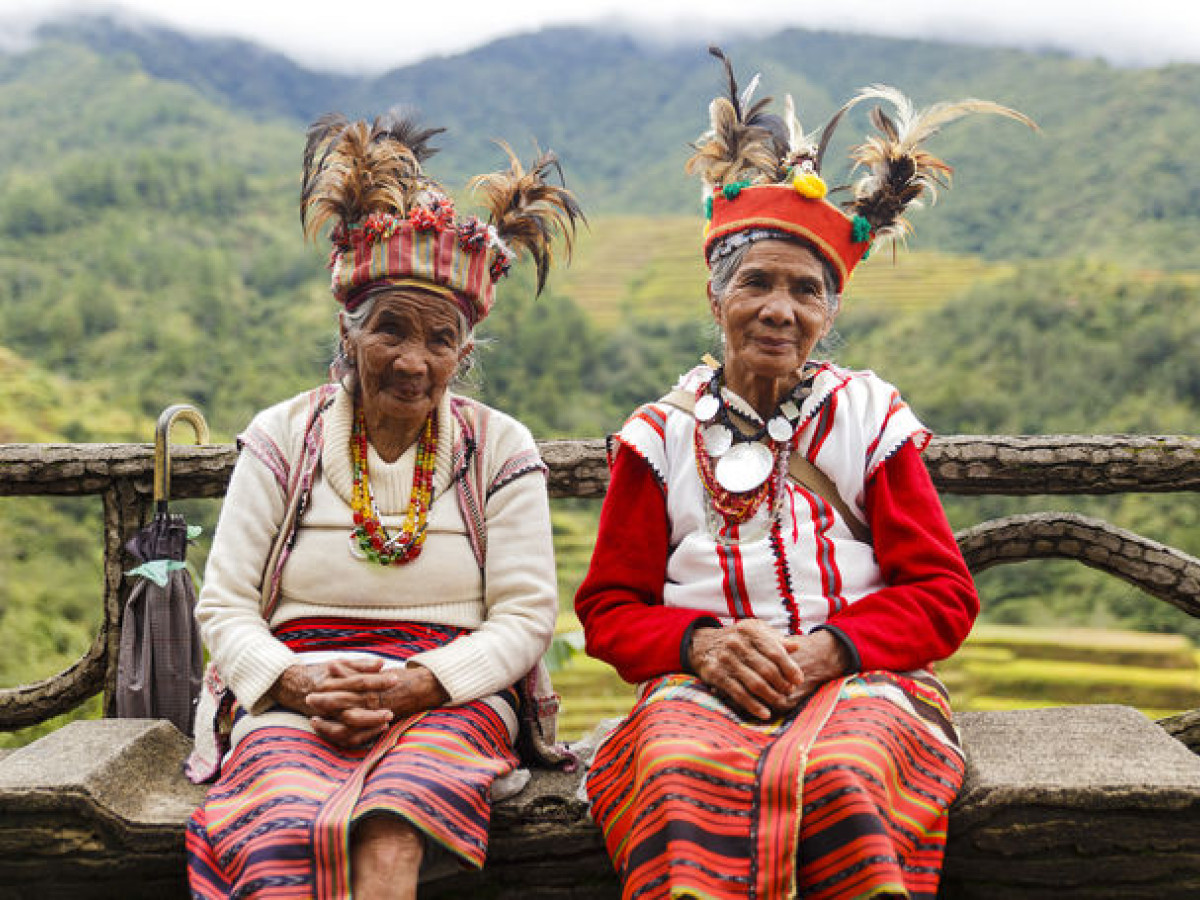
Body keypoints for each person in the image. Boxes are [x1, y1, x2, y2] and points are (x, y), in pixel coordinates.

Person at [576, 50, 1033, 900]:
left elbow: (941, 593)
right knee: (676, 769)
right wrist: (702, 646)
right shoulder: (658, 436)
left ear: (830, 311)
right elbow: (608, 610)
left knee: (845, 775)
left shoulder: (867, 417)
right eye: (755, 283)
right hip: (697, 685)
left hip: (863, 678)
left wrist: (834, 648)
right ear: (716, 299)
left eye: (804, 290)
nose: (778, 309)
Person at [184, 110, 582, 900]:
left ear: (462, 355)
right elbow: (225, 603)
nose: (412, 359)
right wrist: (295, 683)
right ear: (348, 329)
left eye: (439, 341)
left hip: (449, 697)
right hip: (300, 685)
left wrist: (422, 683)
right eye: (389, 330)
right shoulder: (283, 435)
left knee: (394, 823)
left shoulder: (499, 448)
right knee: (278, 824)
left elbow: (526, 615)